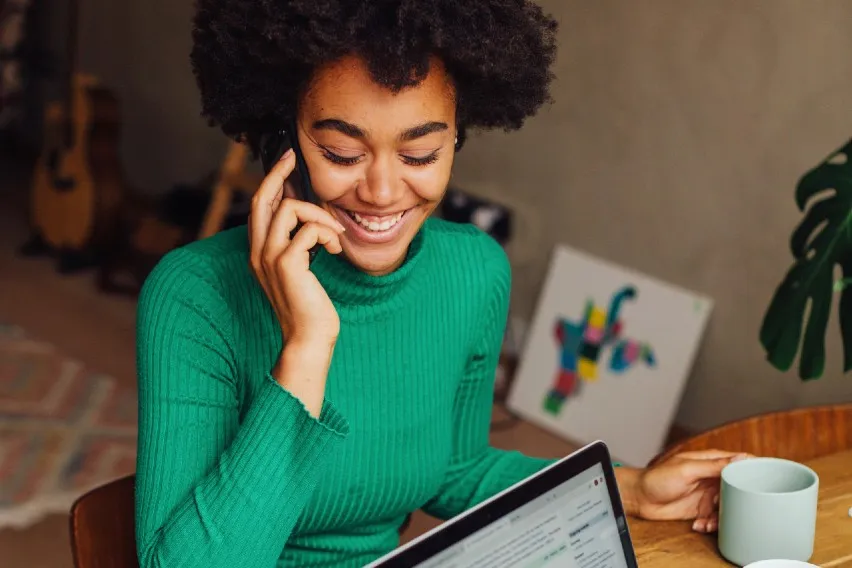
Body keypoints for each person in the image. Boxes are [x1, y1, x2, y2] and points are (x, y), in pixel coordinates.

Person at [133, 1, 749, 567]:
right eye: (342, 154)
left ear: (458, 139)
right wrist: (306, 349)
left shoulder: (473, 272)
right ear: (283, 141)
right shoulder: (194, 296)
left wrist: (632, 485)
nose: (380, 192)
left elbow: (455, 467)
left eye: (420, 156)